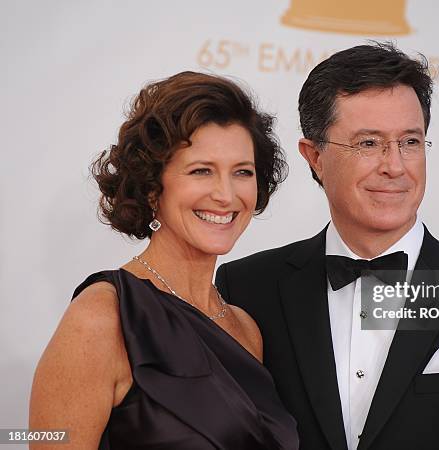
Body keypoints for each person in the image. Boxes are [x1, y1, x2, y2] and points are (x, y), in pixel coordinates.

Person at [215, 43, 439, 449]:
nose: (395, 166)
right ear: (314, 157)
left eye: (410, 142)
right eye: (369, 143)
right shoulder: (246, 288)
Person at [29, 71, 299, 449]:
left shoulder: (245, 328)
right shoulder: (104, 317)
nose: (225, 194)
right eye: (201, 171)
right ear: (153, 186)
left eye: (242, 172)